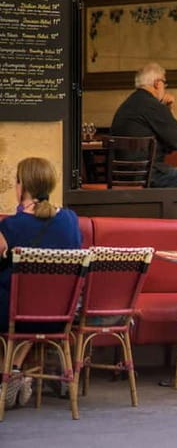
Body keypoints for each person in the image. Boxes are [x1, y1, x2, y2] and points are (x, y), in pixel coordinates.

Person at [0, 158, 83, 408]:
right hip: (60, 315)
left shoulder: (11, 226)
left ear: (21, 186)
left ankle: (9, 374)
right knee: (25, 305)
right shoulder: (70, 219)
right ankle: (13, 372)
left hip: (15, 314)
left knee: (14, 302)